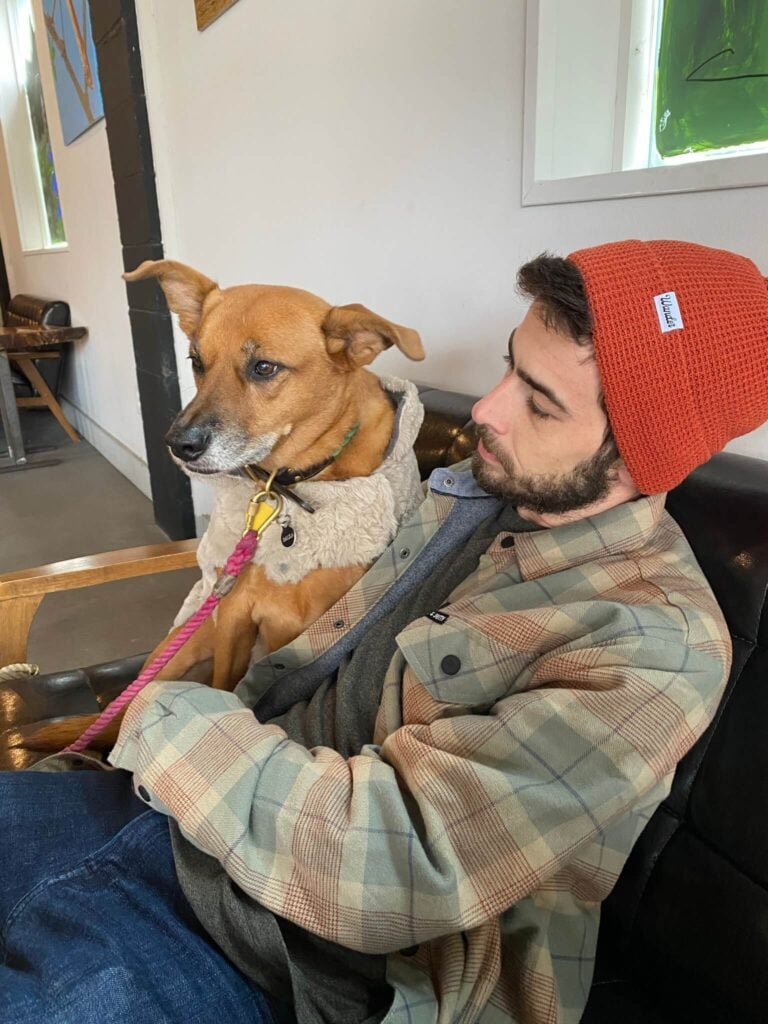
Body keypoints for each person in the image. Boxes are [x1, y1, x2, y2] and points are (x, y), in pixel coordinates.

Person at [2, 239, 766, 1024]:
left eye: (538, 402)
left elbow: (394, 865)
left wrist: (161, 720)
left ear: (647, 449)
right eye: (509, 366)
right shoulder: (467, 496)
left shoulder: (654, 648)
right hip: (185, 817)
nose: (484, 411)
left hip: (282, 955)